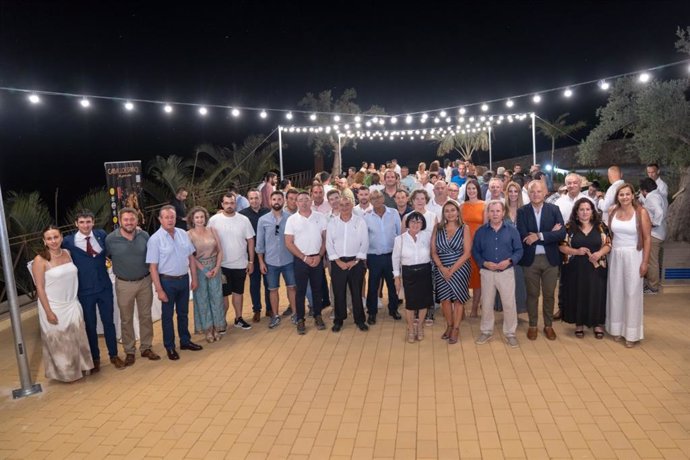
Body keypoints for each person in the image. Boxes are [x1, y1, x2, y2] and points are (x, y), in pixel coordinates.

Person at [62, 209, 124, 371]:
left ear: (93, 222)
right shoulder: (68, 241)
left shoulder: (101, 235)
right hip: (84, 291)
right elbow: (54, 252)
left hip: (104, 287)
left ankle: (114, 355)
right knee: (90, 325)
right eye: (81, 222)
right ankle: (95, 359)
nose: (85, 225)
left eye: (88, 221)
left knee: (109, 322)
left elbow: (114, 244)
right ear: (76, 224)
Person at [31, 226, 93, 382]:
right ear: (44, 241)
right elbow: (39, 288)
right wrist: (48, 312)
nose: (53, 241)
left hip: (71, 304)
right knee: (60, 342)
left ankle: (81, 367)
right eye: (49, 238)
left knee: (76, 337)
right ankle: (66, 374)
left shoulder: (68, 253)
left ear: (61, 237)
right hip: (53, 306)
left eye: (56, 237)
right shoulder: (40, 260)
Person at [146, 205, 203, 360]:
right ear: (160, 219)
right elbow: (153, 267)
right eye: (166, 217)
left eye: (172, 217)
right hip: (167, 282)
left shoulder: (183, 234)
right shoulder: (154, 240)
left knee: (183, 313)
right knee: (167, 316)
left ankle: (185, 341)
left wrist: (194, 278)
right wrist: (159, 290)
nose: (170, 220)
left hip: (184, 280)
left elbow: (191, 257)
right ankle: (170, 347)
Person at [106, 207, 160, 365]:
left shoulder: (144, 235)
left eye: (132, 219)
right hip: (124, 284)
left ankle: (146, 347)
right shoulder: (110, 239)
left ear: (137, 220)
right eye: (126, 220)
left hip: (144, 281)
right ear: (120, 221)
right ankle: (129, 351)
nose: (129, 223)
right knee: (126, 319)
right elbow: (106, 256)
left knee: (145, 316)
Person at [517, 180, 566, 341]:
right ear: (528, 193)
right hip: (530, 260)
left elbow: (561, 234)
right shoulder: (522, 212)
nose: (535, 194)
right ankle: (532, 325)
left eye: (539, 191)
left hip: (550, 259)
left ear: (545, 193)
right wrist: (548, 234)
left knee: (549, 294)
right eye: (532, 192)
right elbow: (523, 235)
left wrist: (538, 235)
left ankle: (548, 325)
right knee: (532, 295)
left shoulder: (554, 210)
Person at [472, 200, 524, 348]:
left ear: (503, 213)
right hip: (487, 273)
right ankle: (486, 331)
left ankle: (510, 333)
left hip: (506, 272)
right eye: (492, 211)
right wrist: (484, 263)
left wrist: (509, 261)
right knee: (487, 303)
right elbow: (475, 251)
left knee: (509, 304)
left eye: (498, 211)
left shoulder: (512, 230)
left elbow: (519, 250)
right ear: (488, 213)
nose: (495, 214)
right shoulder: (481, 231)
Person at [606, 184, 651, 348]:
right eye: (621, 195)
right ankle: (617, 328)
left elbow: (647, 239)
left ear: (633, 196)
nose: (624, 197)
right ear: (617, 197)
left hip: (634, 255)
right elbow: (609, 235)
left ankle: (631, 333)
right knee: (616, 291)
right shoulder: (612, 211)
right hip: (616, 255)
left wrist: (645, 262)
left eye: (627, 194)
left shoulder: (641, 212)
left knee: (632, 294)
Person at [558, 198, 610, 339]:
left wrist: (599, 253)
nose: (585, 212)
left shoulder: (601, 226)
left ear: (593, 211)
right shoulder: (569, 227)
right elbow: (562, 247)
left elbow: (608, 244)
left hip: (596, 268)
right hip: (575, 269)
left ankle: (597, 324)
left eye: (588, 209)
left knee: (597, 294)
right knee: (578, 294)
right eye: (581, 209)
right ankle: (579, 324)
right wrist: (576, 251)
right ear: (576, 212)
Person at [207, 192, 255, 331]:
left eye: (232, 203)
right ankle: (222, 322)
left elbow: (250, 241)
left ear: (236, 204)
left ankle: (238, 318)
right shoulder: (214, 220)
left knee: (238, 292)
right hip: (221, 265)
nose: (229, 206)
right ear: (222, 204)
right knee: (223, 295)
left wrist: (251, 262)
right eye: (226, 203)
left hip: (240, 264)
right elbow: (209, 241)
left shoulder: (244, 220)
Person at [284, 191, 328, 335]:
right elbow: (289, 243)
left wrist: (320, 256)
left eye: (306, 199)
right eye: (300, 200)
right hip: (301, 260)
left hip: (317, 259)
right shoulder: (292, 220)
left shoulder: (320, 218)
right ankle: (300, 319)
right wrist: (304, 258)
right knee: (300, 291)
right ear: (296, 203)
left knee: (317, 290)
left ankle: (318, 316)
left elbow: (325, 239)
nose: (304, 202)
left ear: (311, 202)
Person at [326, 194, 369, 332]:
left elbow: (365, 242)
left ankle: (360, 320)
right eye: (342, 205)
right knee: (339, 292)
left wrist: (355, 261)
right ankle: (339, 320)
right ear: (338, 206)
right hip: (338, 262)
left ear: (352, 205)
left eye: (347, 204)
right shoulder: (332, 222)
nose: (344, 207)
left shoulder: (360, 221)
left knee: (356, 292)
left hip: (355, 262)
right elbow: (329, 243)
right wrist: (337, 261)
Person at [431, 201, 472, 344]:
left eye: (453, 210)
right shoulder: (438, 228)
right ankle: (448, 325)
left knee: (458, 299)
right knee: (445, 299)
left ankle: (456, 328)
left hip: (460, 268)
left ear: (457, 212)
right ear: (443, 214)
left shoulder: (464, 228)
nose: (450, 213)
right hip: (442, 268)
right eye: (447, 211)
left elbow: (467, 253)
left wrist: (452, 270)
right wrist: (442, 268)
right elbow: (433, 252)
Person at [257, 191, 297, 328]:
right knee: (272, 289)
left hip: (289, 260)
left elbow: (295, 240)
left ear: (283, 201)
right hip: (270, 261)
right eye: (274, 199)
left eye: (279, 199)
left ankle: (296, 314)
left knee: (292, 287)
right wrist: (261, 261)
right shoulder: (263, 220)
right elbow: (259, 244)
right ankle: (275, 315)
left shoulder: (291, 218)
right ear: (270, 201)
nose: (277, 201)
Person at [187, 206, 226, 343]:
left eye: (202, 217)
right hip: (199, 269)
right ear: (192, 219)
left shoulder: (212, 230)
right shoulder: (189, 234)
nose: (199, 220)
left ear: (205, 218)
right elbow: (191, 256)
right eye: (196, 217)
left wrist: (216, 267)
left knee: (216, 298)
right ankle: (208, 329)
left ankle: (217, 327)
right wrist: (203, 270)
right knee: (202, 299)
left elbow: (220, 250)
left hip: (215, 268)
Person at [393, 212, 434, 343]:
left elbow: (433, 253)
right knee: (409, 303)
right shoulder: (400, 239)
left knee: (423, 302)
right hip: (408, 272)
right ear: (407, 223)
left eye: (419, 222)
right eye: (412, 222)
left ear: (423, 224)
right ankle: (411, 328)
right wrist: (396, 277)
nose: (415, 224)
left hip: (425, 271)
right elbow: (395, 259)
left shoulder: (427, 236)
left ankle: (420, 327)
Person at [364, 190, 402, 323]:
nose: (376, 200)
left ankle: (393, 309)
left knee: (392, 285)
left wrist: (400, 255)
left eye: (378, 197)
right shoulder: (366, 216)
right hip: (374, 256)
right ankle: (372, 312)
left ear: (383, 198)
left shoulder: (394, 213)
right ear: (370, 201)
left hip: (392, 255)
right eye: (373, 198)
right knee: (373, 285)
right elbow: (364, 238)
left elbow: (399, 234)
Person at [494, 181, 527, 315]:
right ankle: (504, 309)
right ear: (506, 193)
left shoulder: (525, 211)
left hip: (521, 253)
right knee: (503, 284)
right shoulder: (502, 209)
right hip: (504, 251)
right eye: (511, 191)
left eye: (516, 191)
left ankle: (517, 311)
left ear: (519, 194)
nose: (513, 194)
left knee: (519, 283)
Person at [239, 189, 270, 322]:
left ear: (261, 199)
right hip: (251, 255)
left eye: (256, 198)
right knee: (254, 284)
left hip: (268, 254)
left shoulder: (268, 212)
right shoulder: (242, 215)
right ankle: (256, 310)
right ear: (248, 199)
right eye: (251, 198)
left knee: (269, 283)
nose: (254, 201)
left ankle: (270, 308)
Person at [460, 179, 485, 317]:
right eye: (469, 189)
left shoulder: (484, 205)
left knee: (477, 279)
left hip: (478, 246)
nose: (471, 191)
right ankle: (461, 308)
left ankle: (475, 308)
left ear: (478, 190)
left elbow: (486, 226)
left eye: (474, 188)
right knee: (463, 277)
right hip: (464, 246)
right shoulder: (461, 206)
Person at [639, 177, 667, 295]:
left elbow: (659, 212)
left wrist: (653, 224)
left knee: (651, 261)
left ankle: (653, 287)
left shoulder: (651, 197)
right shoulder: (660, 194)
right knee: (653, 260)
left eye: (641, 191)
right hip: (660, 233)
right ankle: (651, 283)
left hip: (654, 234)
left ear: (644, 190)